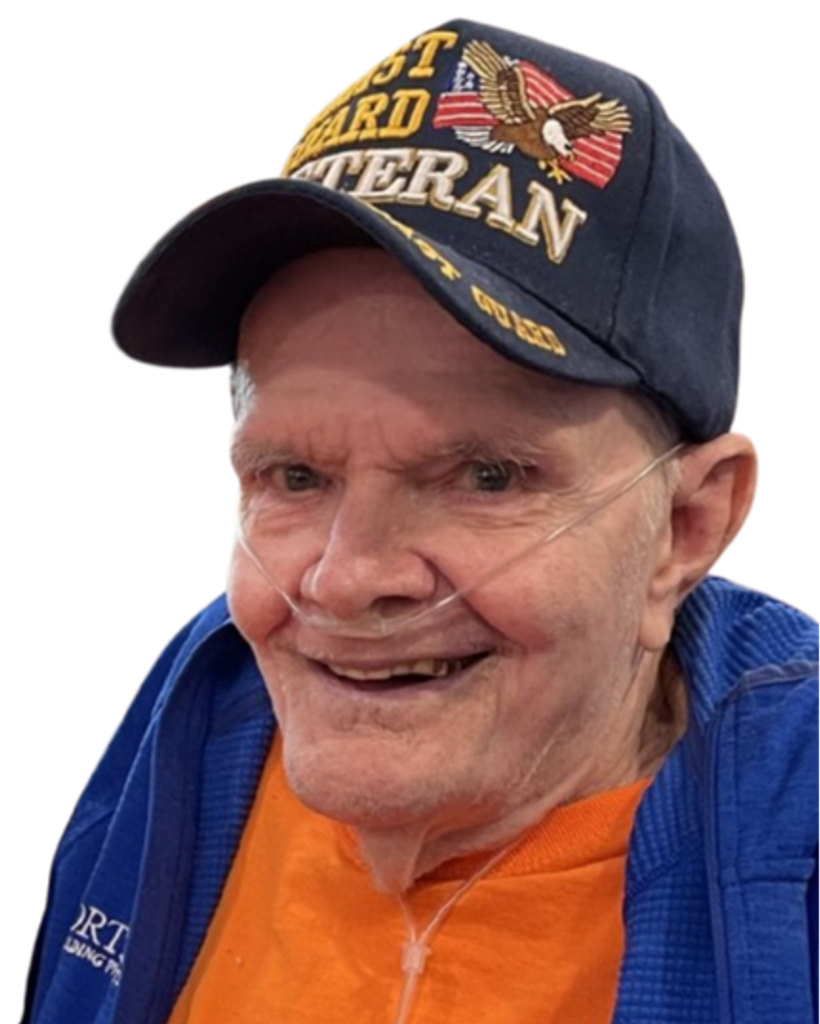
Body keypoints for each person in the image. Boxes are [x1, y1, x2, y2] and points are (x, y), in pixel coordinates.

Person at [22, 17, 819, 1024]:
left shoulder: (792, 859)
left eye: (486, 475)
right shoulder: (194, 707)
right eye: (295, 475)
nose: (345, 579)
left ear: (687, 527)